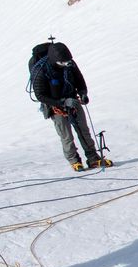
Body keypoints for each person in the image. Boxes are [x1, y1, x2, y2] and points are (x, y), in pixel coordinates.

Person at [30, 42, 111, 171]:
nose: (65, 64)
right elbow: (40, 95)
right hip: (54, 106)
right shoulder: (42, 71)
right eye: (62, 62)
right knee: (66, 135)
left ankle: (93, 158)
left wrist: (83, 93)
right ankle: (74, 160)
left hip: (72, 100)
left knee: (83, 130)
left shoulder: (70, 64)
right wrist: (61, 103)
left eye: (67, 61)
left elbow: (79, 80)